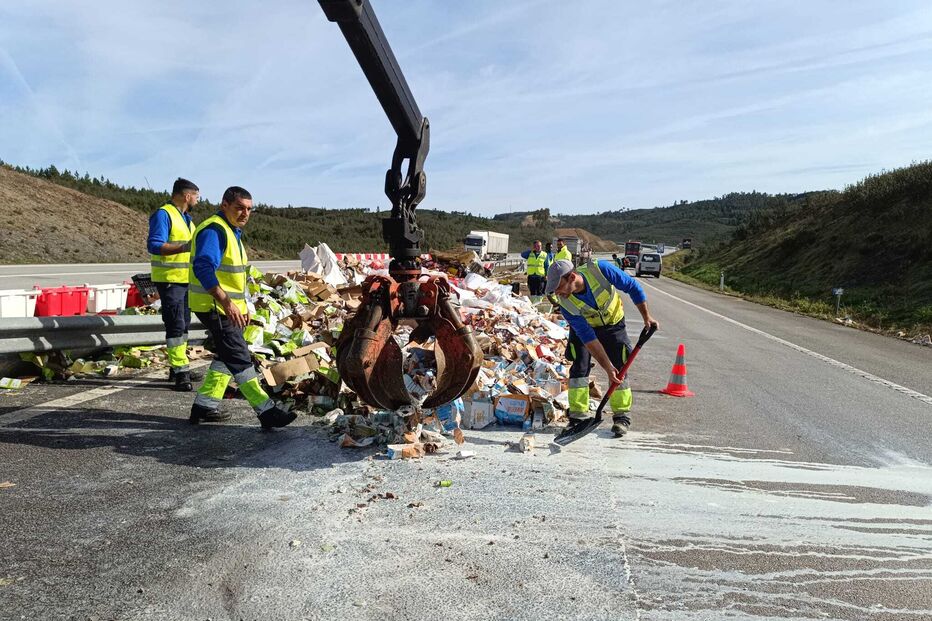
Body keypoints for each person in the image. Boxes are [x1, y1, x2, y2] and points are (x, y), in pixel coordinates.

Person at [188, 186, 295, 429]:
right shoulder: (215, 230)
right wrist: (228, 303)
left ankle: (204, 406)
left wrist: (242, 305)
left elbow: (236, 278)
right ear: (224, 205)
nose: (245, 213)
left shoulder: (231, 231)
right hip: (215, 307)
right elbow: (203, 269)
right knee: (239, 357)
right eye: (239, 208)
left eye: (249, 209)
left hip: (225, 306)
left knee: (226, 355)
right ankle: (266, 411)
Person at [545, 259, 660, 437]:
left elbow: (633, 287)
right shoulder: (566, 304)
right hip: (586, 329)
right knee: (579, 366)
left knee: (620, 366)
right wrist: (606, 367)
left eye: (559, 287)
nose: (557, 292)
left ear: (572, 277)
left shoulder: (599, 270)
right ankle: (578, 416)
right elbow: (588, 338)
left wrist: (647, 317)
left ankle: (621, 416)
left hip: (613, 324)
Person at [147, 178, 199, 391]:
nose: (197, 200)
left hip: (185, 280)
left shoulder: (187, 219)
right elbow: (154, 245)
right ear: (187, 196)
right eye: (196, 196)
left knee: (184, 324)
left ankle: (178, 366)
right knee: (176, 325)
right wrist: (184, 247)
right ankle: (180, 372)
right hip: (170, 280)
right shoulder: (164, 214)